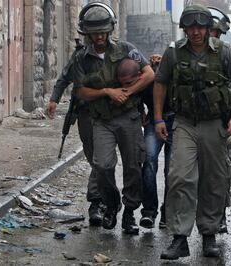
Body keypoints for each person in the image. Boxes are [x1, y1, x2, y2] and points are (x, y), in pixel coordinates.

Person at [153, 4, 231, 260]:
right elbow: (160, 83)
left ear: (208, 28)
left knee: (213, 180)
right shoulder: (174, 52)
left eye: (200, 27)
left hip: (214, 125)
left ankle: (209, 235)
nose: (195, 32)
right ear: (184, 29)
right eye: (190, 27)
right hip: (184, 123)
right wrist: (158, 119)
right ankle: (179, 238)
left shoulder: (224, 52)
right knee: (179, 176)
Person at [73, 3, 154, 235]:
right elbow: (80, 91)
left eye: (103, 31)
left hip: (128, 118)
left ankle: (129, 212)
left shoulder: (126, 49)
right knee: (102, 165)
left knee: (133, 167)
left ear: (110, 30)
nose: (99, 36)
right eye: (94, 32)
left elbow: (149, 73)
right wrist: (107, 92)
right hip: (101, 120)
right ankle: (111, 204)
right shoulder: (82, 58)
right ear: (86, 32)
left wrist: (128, 92)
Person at [46, 38, 105, 227]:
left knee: (102, 159)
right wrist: (54, 99)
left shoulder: (117, 52)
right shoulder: (80, 56)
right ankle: (102, 198)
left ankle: (96, 201)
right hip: (86, 113)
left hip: (110, 115)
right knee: (94, 157)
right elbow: (65, 77)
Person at [207, 6, 231, 234]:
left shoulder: (227, 53)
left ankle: (219, 214)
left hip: (222, 120)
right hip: (194, 121)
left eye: (215, 33)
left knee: (221, 172)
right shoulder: (183, 52)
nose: (211, 37)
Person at [139, 54, 174, 229]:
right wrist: (141, 113)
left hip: (176, 122)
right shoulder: (148, 80)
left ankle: (168, 211)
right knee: (149, 162)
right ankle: (149, 212)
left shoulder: (176, 75)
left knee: (172, 169)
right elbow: (137, 94)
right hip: (154, 122)